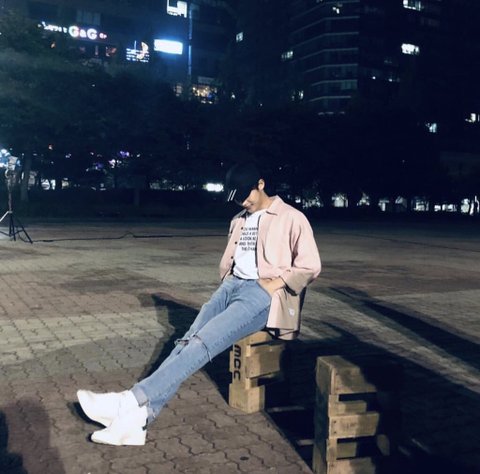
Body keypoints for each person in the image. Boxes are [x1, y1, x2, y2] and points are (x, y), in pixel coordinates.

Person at [77, 162, 321, 446]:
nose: (243, 201)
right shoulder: (239, 219)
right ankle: (139, 419)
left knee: (202, 343)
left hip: (262, 295)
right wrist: (228, 279)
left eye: (246, 195)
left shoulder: (291, 217)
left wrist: (275, 283)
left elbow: (311, 265)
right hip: (231, 286)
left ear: (261, 184)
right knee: (186, 341)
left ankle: (129, 401)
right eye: (237, 198)